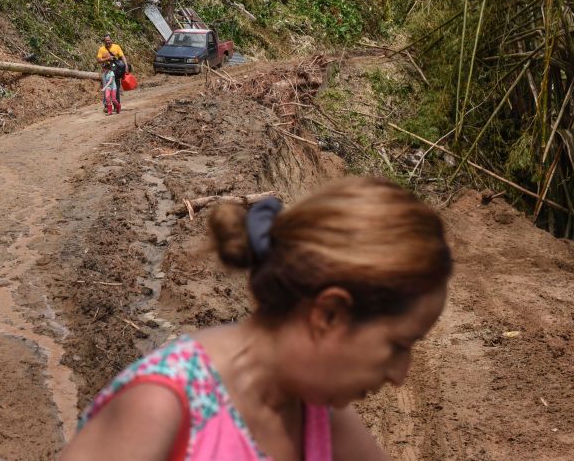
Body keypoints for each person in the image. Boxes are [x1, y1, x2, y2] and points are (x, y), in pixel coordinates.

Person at [62, 177, 451, 461]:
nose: (400, 374)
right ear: (329, 313)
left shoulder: (314, 412)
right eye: (399, 346)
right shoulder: (159, 410)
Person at [96, 34, 129, 106]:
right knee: (106, 88)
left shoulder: (116, 47)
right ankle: (107, 105)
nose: (108, 42)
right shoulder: (101, 49)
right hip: (106, 73)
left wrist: (126, 66)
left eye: (109, 40)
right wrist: (107, 59)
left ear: (111, 40)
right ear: (104, 42)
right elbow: (98, 60)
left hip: (116, 72)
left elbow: (122, 56)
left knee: (116, 88)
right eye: (106, 41)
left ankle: (116, 105)